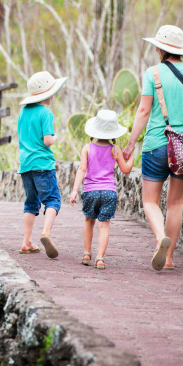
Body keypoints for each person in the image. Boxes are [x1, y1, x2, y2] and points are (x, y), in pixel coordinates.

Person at [122, 25, 183, 271]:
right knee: (175, 203)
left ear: (160, 48)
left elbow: (143, 111)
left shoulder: (152, 73)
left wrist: (131, 143)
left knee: (150, 201)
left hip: (157, 143)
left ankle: (159, 239)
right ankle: (167, 259)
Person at [69, 110, 134, 269]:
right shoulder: (115, 150)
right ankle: (100, 258)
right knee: (104, 225)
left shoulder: (87, 148)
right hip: (108, 192)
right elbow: (125, 170)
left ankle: (86, 253)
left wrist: (74, 190)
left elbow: (82, 170)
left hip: (90, 191)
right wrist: (131, 157)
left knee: (88, 221)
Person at [17, 71, 68, 258]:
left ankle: (26, 242)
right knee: (52, 200)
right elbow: (47, 140)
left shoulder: (23, 112)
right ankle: (46, 232)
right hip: (43, 164)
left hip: (25, 164)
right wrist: (55, 137)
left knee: (31, 203)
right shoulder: (45, 113)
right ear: (47, 94)